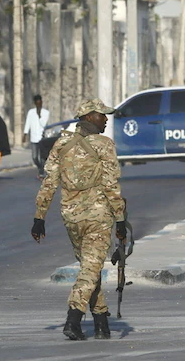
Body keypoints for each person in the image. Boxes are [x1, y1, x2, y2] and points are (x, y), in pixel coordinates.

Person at [31, 98, 127, 342]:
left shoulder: (61, 144)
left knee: (90, 268)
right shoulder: (105, 145)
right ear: (87, 117)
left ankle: (101, 321)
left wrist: (39, 217)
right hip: (98, 217)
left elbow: (49, 182)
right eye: (102, 115)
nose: (106, 119)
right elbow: (110, 185)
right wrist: (121, 219)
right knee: (90, 268)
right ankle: (73, 318)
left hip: (71, 218)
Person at [24, 94, 51, 179]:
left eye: (40, 103)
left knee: (42, 157)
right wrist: (25, 133)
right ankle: (40, 168)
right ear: (35, 103)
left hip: (42, 138)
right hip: (33, 138)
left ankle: (42, 172)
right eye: (37, 103)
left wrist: (40, 115)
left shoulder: (46, 113)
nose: (39, 105)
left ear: (42, 102)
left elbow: (43, 124)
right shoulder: (31, 112)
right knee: (34, 157)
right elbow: (28, 123)